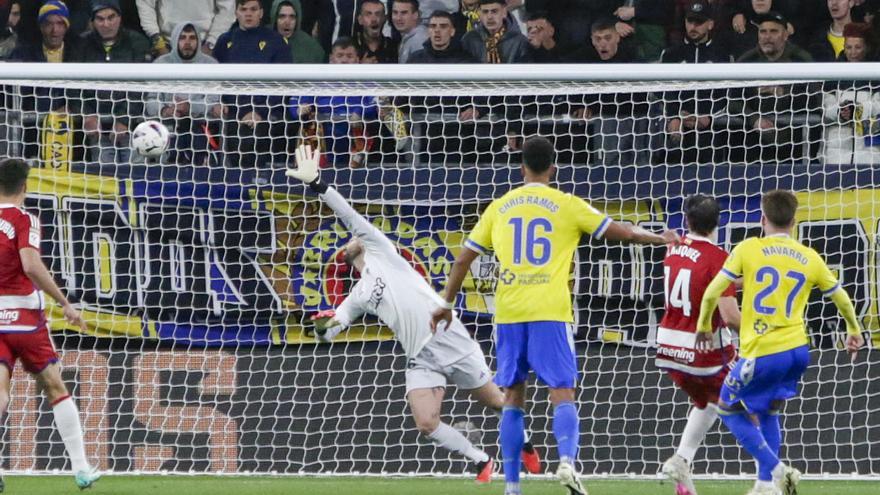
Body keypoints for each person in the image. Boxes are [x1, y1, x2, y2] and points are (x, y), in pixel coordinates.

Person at [431, 137, 679, 495]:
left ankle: (512, 487)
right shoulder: (566, 204)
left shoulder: (500, 206)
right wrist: (661, 238)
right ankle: (567, 462)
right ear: (554, 168)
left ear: (521, 168)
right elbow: (624, 232)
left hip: (510, 312)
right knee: (562, 392)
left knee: (513, 397)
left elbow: (462, 260)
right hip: (549, 310)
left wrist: (447, 303)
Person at [285, 144, 542, 483]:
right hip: (420, 357)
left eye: (351, 240)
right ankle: (480, 461)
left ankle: (525, 443)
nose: (349, 241)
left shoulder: (381, 248)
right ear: (346, 260)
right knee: (426, 423)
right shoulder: (357, 295)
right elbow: (335, 327)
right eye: (346, 245)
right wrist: (320, 328)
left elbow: (348, 214)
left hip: (446, 336)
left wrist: (318, 184)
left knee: (496, 401)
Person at [696, 190, 865, 495]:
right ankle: (765, 486)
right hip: (798, 352)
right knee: (769, 411)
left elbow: (711, 292)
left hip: (763, 351)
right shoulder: (809, 257)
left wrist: (703, 326)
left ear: (762, 219)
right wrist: (854, 330)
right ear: (794, 221)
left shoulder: (749, 248)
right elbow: (840, 296)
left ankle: (777, 470)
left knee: (726, 407)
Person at [0, 158, 101, 490]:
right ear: (24, 186)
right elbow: (30, 264)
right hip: (26, 319)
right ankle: (82, 468)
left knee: (0, 393)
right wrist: (64, 302)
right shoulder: (24, 218)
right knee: (55, 387)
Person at [656, 195, 741, 495]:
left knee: (706, 403)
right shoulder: (719, 258)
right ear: (718, 223)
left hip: (668, 348)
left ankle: (682, 466)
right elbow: (730, 316)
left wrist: (746, 280)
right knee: (750, 400)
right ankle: (770, 476)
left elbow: (706, 282)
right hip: (703, 351)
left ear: (687, 221)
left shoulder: (674, 250)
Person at [146, 22, 222, 166]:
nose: (187, 42)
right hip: (166, 125)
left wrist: (189, 108)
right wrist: (166, 110)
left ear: (199, 41)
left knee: (196, 135)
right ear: (175, 39)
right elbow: (150, 101)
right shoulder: (160, 64)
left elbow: (213, 102)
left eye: (192, 38)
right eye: (183, 38)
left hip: (201, 126)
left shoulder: (211, 65)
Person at [822, 22, 880, 165]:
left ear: (866, 48)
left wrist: (858, 110)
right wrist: (841, 111)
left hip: (870, 152)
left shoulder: (876, 73)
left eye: (858, 47)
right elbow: (825, 107)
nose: (853, 52)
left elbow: (878, 107)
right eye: (849, 47)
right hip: (836, 151)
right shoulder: (833, 74)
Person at [136, 0, 235, 57]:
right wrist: (157, 41)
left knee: (204, 91)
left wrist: (211, 43)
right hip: (167, 44)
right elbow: (145, 4)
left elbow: (227, 9)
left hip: (205, 44)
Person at [460, 0, 531, 63]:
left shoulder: (520, 42)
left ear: (504, 12)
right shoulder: (469, 40)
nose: (489, 17)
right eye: (485, 12)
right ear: (480, 14)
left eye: (494, 11)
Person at [408, 10, 475, 62]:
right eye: (433, 26)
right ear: (428, 31)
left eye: (443, 26)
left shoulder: (466, 61)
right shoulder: (415, 59)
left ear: (452, 32)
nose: (437, 30)